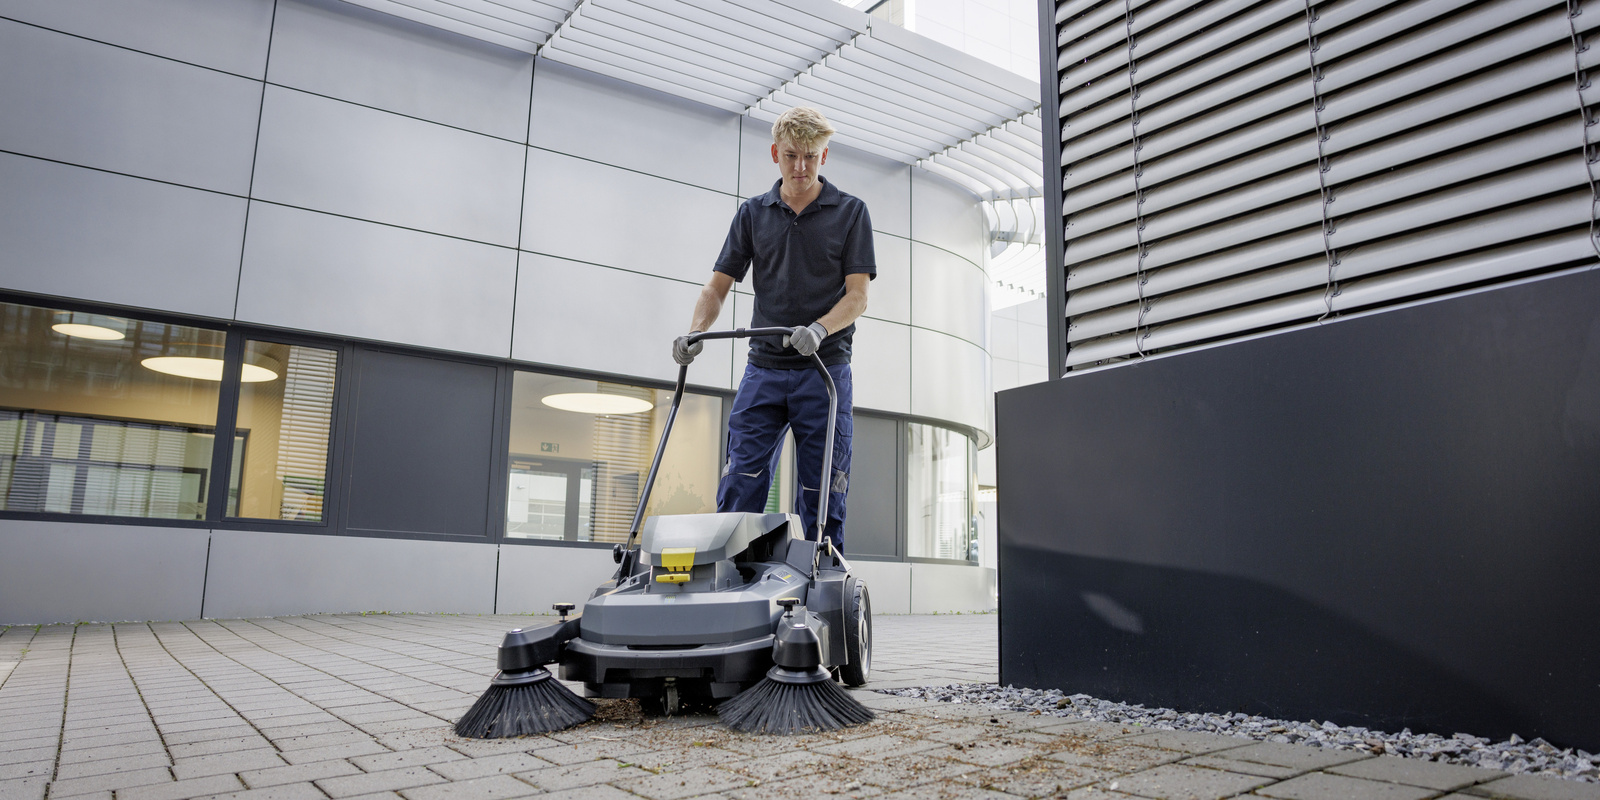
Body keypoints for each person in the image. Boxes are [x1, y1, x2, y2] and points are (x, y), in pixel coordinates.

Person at [673, 107, 874, 551]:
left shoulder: (851, 213)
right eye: (791, 156)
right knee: (740, 475)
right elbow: (717, 287)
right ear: (774, 154)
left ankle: (820, 577)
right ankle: (728, 579)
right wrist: (694, 331)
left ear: (825, 157)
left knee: (822, 487)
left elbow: (857, 296)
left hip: (824, 371)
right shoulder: (753, 214)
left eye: (811, 156)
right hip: (763, 369)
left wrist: (820, 330)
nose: (800, 167)